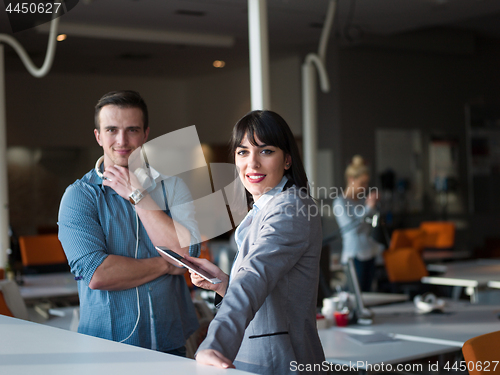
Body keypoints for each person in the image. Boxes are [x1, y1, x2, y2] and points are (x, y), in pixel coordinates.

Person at [171, 110, 326, 374]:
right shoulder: (268, 206)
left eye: (265, 151)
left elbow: (255, 275)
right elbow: (269, 286)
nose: (251, 164)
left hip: (280, 359)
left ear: (287, 159)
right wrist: (224, 284)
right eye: (243, 152)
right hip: (262, 356)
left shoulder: (290, 208)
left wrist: (216, 344)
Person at [58, 90, 200, 355]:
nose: (121, 140)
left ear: (145, 134)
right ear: (98, 136)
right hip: (106, 347)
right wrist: (167, 264)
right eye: (111, 129)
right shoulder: (79, 196)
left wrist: (139, 197)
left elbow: (189, 257)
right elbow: (98, 274)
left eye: (132, 130)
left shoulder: (172, 187)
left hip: (172, 344)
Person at [333, 155, 383, 292]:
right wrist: (368, 207)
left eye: (367, 183)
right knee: (356, 296)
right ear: (351, 179)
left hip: (370, 252)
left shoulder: (362, 200)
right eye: (362, 183)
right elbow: (352, 229)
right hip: (354, 255)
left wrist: (374, 207)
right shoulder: (340, 202)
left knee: (369, 294)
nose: (365, 187)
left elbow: (371, 226)